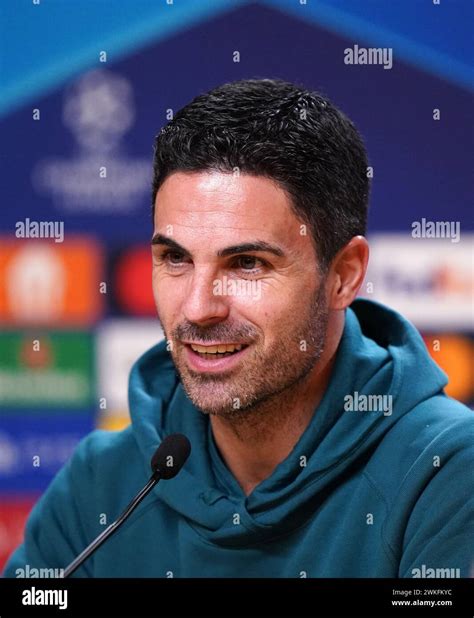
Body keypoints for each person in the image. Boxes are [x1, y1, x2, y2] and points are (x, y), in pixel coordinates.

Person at [4, 79, 473, 578]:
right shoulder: (101, 482)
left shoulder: (446, 471)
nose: (199, 308)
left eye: (247, 263)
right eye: (175, 258)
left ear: (344, 275)